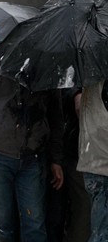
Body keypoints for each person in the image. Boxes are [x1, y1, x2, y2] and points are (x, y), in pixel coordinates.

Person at [0, 43, 64, 241]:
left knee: (35, 224)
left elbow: (55, 115)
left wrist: (56, 158)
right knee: (0, 226)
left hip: (33, 155)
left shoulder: (48, 62)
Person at [76, 81, 108, 242]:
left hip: (92, 159)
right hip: (98, 160)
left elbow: (79, 108)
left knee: (100, 231)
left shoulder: (88, 71)